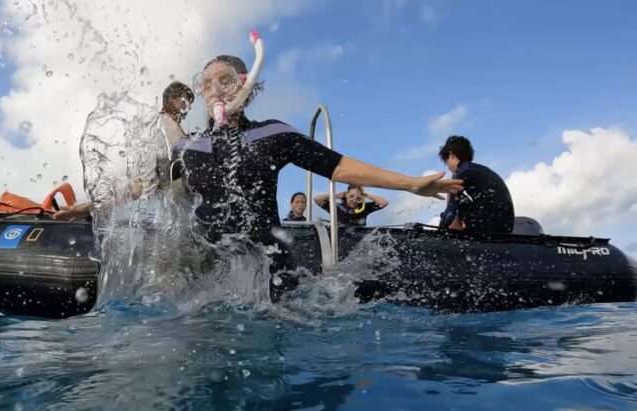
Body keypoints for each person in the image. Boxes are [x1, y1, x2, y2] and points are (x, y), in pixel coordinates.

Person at [170, 54, 463, 300]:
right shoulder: (187, 148)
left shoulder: (271, 134)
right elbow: (157, 187)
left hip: (269, 277)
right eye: (207, 85)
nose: (215, 91)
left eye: (225, 80)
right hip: (210, 278)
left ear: (246, 86)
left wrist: (411, 183)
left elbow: (338, 166)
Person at [53, 81, 195, 220]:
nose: (188, 107)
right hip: (162, 183)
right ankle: (81, 211)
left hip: (155, 181)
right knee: (126, 193)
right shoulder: (166, 121)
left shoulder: (160, 121)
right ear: (172, 100)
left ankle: (81, 210)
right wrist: (208, 143)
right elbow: (181, 151)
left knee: (122, 195)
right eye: (185, 101)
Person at [437, 135, 514, 233]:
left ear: (451, 155)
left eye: (446, 161)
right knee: (456, 192)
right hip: (506, 226)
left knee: (452, 190)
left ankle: (453, 231)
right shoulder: (477, 169)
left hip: (490, 226)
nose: (448, 167)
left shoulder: (462, 172)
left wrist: (441, 230)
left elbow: (452, 207)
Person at [314, 185, 388, 226]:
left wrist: (367, 195)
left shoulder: (365, 208)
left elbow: (384, 202)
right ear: (346, 195)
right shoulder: (337, 207)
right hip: (340, 241)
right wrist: (335, 195)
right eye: (351, 196)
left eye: (358, 198)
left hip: (359, 244)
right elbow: (317, 199)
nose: (354, 200)